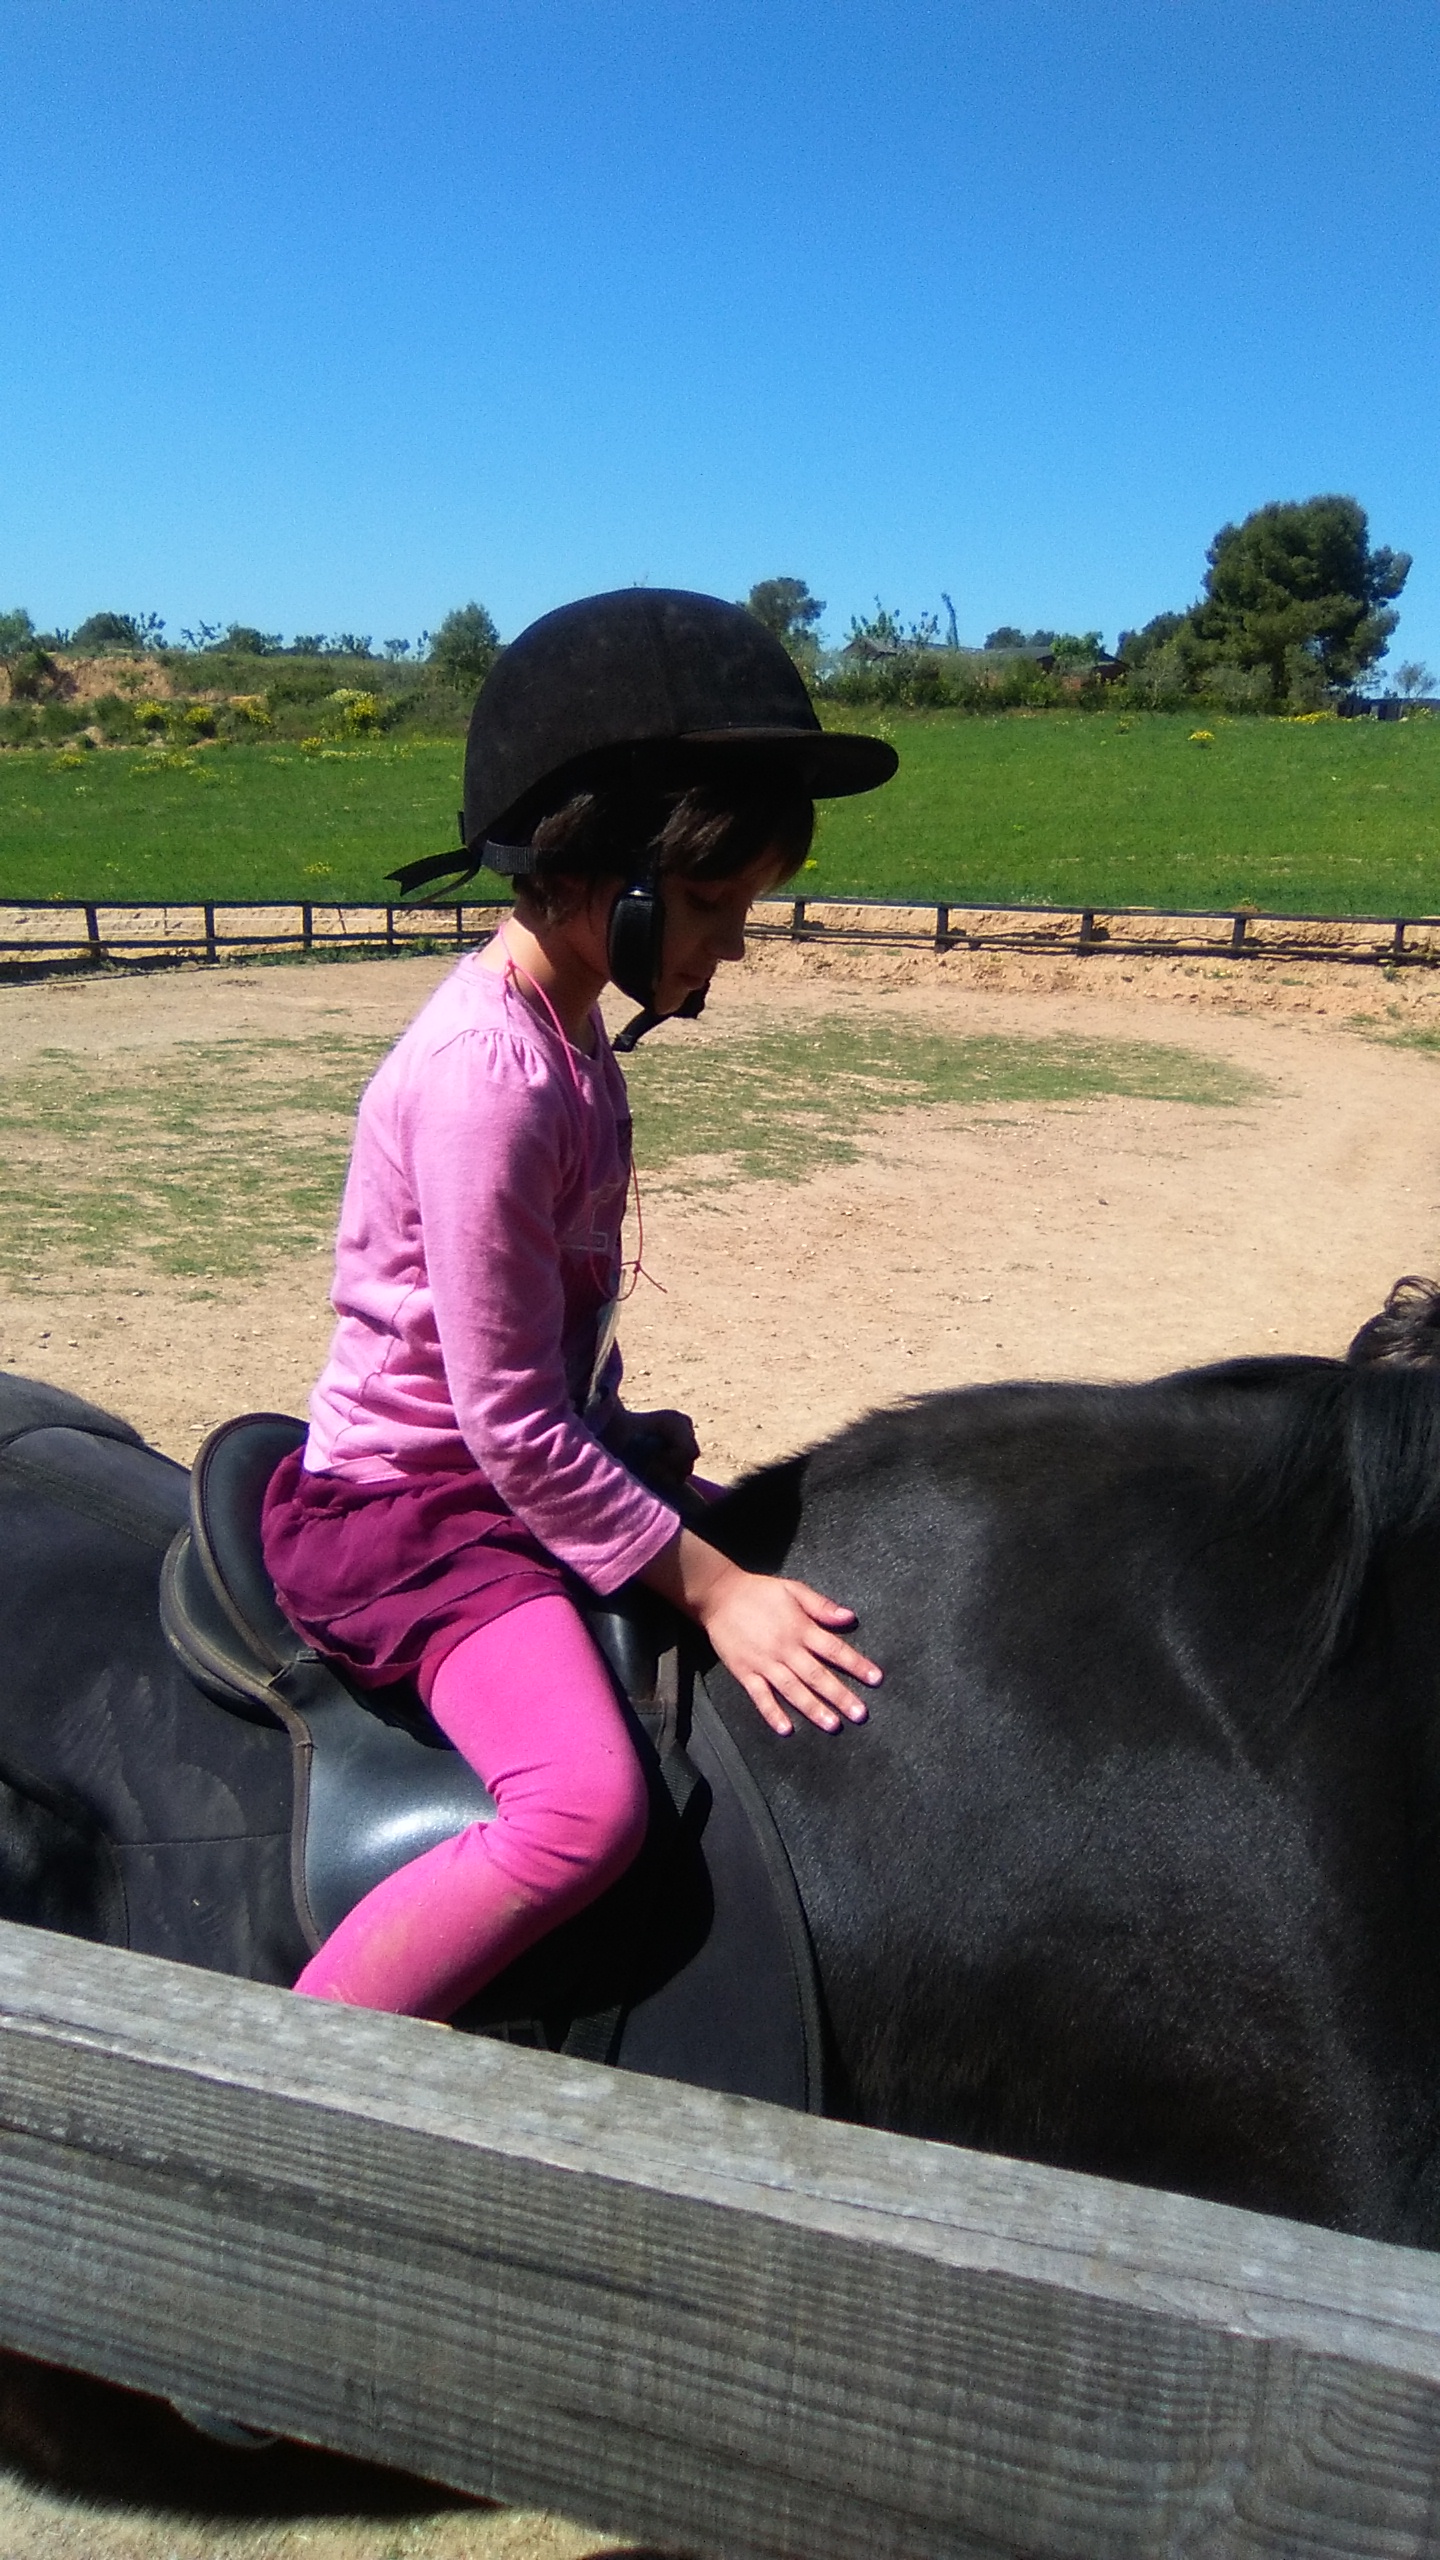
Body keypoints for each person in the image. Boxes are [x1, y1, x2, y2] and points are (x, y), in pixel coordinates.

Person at [261, 586, 899, 2021]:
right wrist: (713, 1588)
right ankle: (290, 2064)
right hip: (420, 1506)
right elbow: (502, 1419)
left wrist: (646, 1470)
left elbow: (553, 1355)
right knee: (583, 1810)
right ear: (609, 873)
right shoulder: (489, 1080)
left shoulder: (572, 1036)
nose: (734, 944)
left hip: (528, 1456)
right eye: (716, 905)